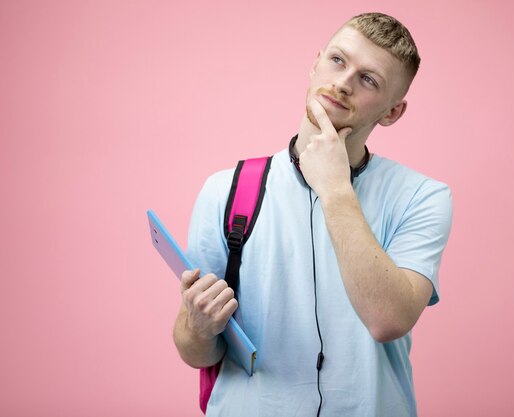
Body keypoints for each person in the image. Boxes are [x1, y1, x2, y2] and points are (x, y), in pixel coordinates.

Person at [173, 12, 452, 417]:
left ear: (392, 112)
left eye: (368, 79)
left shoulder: (423, 197)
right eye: (338, 61)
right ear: (315, 63)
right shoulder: (227, 190)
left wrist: (336, 188)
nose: (342, 82)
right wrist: (198, 326)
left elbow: (388, 319)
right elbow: (194, 348)